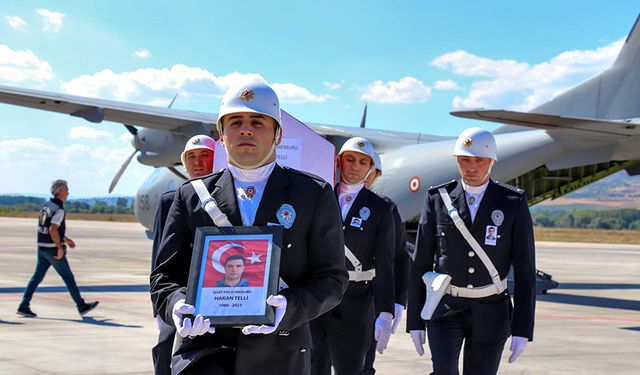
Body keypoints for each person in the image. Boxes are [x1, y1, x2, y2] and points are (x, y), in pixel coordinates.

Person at [150, 80, 348, 375]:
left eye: (258, 122)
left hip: (280, 356)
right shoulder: (191, 196)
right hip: (203, 357)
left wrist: (288, 308)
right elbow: (164, 277)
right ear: (221, 134)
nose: (245, 130)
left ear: (278, 134)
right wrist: (176, 305)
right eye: (235, 122)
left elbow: (332, 279)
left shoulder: (313, 194)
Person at [407, 127, 536, 375]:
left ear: (492, 162)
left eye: (479, 160)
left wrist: (522, 328)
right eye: (465, 159)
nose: (471, 167)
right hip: (445, 308)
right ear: (457, 160)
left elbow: (525, 270)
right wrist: (415, 321)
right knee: (443, 370)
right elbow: (419, 264)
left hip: (492, 310)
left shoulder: (512, 202)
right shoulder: (438, 199)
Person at [311, 137, 395, 375]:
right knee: (313, 368)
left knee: (352, 370)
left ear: (370, 168)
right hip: (319, 298)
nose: (355, 166)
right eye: (350, 159)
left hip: (357, 302)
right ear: (339, 161)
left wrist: (385, 311)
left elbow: (386, 263)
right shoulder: (319, 196)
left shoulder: (381, 208)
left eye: (362, 161)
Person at [150, 134, 216, 375]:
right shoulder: (171, 200)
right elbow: (160, 256)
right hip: (179, 292)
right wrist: (158, 305)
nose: (197, 163)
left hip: (217, 290)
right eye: (191, 157)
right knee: (166, 346)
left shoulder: (228, 199)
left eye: (204, 156)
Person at [17, 179, 99, 318]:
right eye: (66, 189)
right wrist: (60, 247)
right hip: (52, 249)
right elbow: (53, 229)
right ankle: (81, 306)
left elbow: (50, 227)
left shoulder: (46, 206)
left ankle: (24, 305)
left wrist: (66, 239)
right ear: (60, 191)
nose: (68, 192)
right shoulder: (59, 209)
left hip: (42, 247)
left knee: (36, 278)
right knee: (68, 277)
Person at [363, 151, 410, 375]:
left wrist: (398, 301)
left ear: (376, 174)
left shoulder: (385, 209)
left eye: (369, 169)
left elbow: (400, 256)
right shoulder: (328, 201)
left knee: (363, 363)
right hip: (328, 295)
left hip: (366, 297)